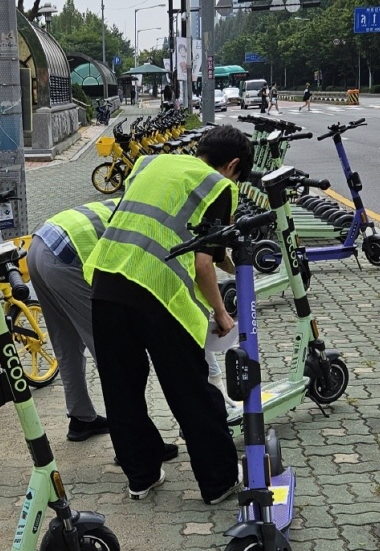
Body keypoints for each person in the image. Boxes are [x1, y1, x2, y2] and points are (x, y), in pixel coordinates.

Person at [84, 125, 253, 503]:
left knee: (121, 390)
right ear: (234, 165)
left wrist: (233, 262)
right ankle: (219, 481)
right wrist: (222, 314)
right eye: (239, 178)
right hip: (159, 296)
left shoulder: (149, 164)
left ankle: (141, 477)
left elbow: (173, 231)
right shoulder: (218, 186)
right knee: (191, 392)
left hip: (108, 284)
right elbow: (202, 265)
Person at [26, 201, 116, 442]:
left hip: (39, 245)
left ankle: (81, 419)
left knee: (66, 342)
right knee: (110, 351)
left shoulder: (132, 203)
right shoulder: (156, 227)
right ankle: (130, 441)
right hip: (64, 258)